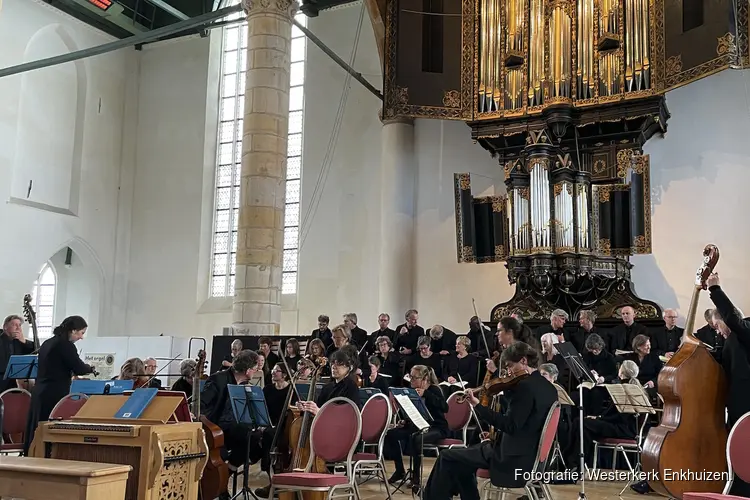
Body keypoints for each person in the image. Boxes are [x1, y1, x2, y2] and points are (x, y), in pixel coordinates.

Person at [423, 342, 557, 500]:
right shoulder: (549, 388)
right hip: (531, 456)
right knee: (460, 461)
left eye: (510, 366)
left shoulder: (525, 387)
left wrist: (477, 405)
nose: (508, 372)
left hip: (512, 458)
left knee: (447, 456)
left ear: (523, 361)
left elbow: (510, 425)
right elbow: (526, 425)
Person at [22, 316, 95, 455]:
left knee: (36, 426)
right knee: (50, 426)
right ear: (73, 330)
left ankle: (33, 453)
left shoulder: (48, 343)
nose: (81, 337)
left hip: (40, 390)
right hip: (54, 392)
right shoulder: (65, 345)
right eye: (81, 333)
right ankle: (49, 456)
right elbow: (79, 368)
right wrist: (90, 368)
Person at [385, 364, 449, 494]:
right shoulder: (411, 390)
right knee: (390, 434)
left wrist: (426, 394)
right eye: (411, 377)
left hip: (437, 428)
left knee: (416, 438)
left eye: (415, 378)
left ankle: (416, 478)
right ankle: (399, 471)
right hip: (417, 426)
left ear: (425, 379)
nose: (412, 380)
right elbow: (414, 412)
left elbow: (445, 407)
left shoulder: (434, 389)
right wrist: (405, 421)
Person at [200, 349, 261, 469]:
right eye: (255, 368)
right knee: (221, 454)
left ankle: (230, 470)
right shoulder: (218, 379)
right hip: (215, 427)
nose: (256, 371)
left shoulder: (245, 385)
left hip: (231, 428)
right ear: (248, 370)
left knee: (253, 436)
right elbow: (202, 403)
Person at [0, 314, 35, 393]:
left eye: (19, 325)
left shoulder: (19, 341)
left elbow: (36, 349)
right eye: (14, 325)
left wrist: (24, 341)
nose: (18, 328)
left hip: (13, 381)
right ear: (5, 327)